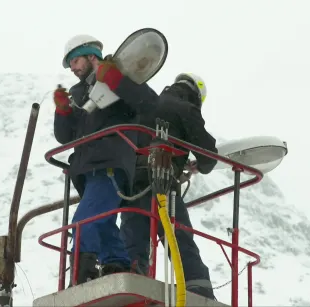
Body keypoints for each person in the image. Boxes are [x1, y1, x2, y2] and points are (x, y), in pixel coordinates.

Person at [53, 34, 159, 286]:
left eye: (76, 60)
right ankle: (117, 265)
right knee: (103, 221)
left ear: (92, 56)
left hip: (109, 162)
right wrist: (63, 112)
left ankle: (83, 272)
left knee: (83, 222)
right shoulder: (80, 93)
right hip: (88, 167)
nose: (73, 68)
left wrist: (116, 80)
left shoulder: (120, 78)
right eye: (70, 64)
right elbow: (65, 136)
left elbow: (150, 104)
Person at [119, 72, 219, 300]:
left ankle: (133, 276)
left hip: (132, 182)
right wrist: (197, 165)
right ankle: (198, 289)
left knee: (133, 235)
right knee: (179, 236)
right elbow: (208, 157)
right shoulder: (185, 109)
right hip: (162, 183)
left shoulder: (148, 103)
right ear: (195, 95)